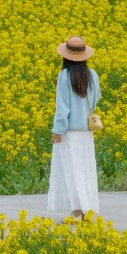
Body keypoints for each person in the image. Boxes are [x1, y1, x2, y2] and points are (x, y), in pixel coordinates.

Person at [48, 34, 101, 219]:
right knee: (85, 170)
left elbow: (63, 107)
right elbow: (96, 98)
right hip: (86, 132)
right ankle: (86, 211)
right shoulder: (92, 75)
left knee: (71, 171)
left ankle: (76, 213)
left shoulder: (64, 76)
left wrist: (58, 130)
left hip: (69, 132)